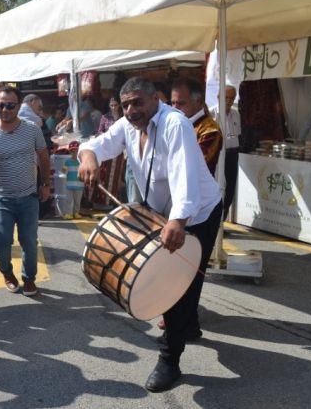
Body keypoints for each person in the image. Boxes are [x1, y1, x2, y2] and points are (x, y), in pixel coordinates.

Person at [78, 76, 222, 393]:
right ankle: (189, 324)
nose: (131, 110)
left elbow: (186, 177)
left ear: (155, 99)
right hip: (162, 212)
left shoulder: (176, 123)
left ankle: (169, 361)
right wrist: (88, 155)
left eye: (137, 102)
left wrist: (179, 220)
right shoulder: (128, 125)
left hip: (198, 212)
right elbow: (99, 144)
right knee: (183, 284)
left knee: (181, 283)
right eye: (126, 104)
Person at [0, 85, 50, 296]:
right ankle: (7, 273)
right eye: (1, 105)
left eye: (10, 105)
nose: (5, 110)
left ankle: (29, 278)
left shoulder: (32, 129)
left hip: (28, 195)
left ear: (19, 106)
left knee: (29, 240)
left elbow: (43, 156)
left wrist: (45, 184)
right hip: (1, 198)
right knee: (1, 241)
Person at [171, 77, 223, 175]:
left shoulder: (210, 131)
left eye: (181, 103)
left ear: (198, 101)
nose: (175, 108)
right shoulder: (175, 123)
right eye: (173, 103)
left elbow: (192, 165)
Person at [210, 85, 241, 218]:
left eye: (231, 98)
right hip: (218, 153)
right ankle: (215, 218)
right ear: (218, 98)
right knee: (216, 186)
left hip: (232, 153)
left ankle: (223, 216)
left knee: (231, 187)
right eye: (226, 97)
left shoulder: (236, 113)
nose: (228, 100)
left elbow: (238, 133)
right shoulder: (212, 113)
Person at [61, 141, 84, 219]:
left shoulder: (82, 162)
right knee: (69, 200)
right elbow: (63, 171)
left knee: (78, 201)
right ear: (70, 152)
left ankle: (76, 212)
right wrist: (64, 169)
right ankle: (68, 213)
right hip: (69, 185)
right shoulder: (67, 162)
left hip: (79, 185)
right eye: (72, 151)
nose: (74, 153)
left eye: (76, 151)